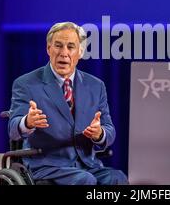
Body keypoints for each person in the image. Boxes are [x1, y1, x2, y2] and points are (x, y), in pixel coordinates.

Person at [8, 22, 128, 185]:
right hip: (46, 166)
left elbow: (109, 130)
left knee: (117, 178)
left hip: (87, 165)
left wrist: (99, 134)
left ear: (80, 52)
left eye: (70, 47)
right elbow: (13, 129)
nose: (64, 53)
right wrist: (27, 122)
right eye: (58, 46)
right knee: (85, 180)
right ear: (48, 49)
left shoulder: (96, 86)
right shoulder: (26, 83)